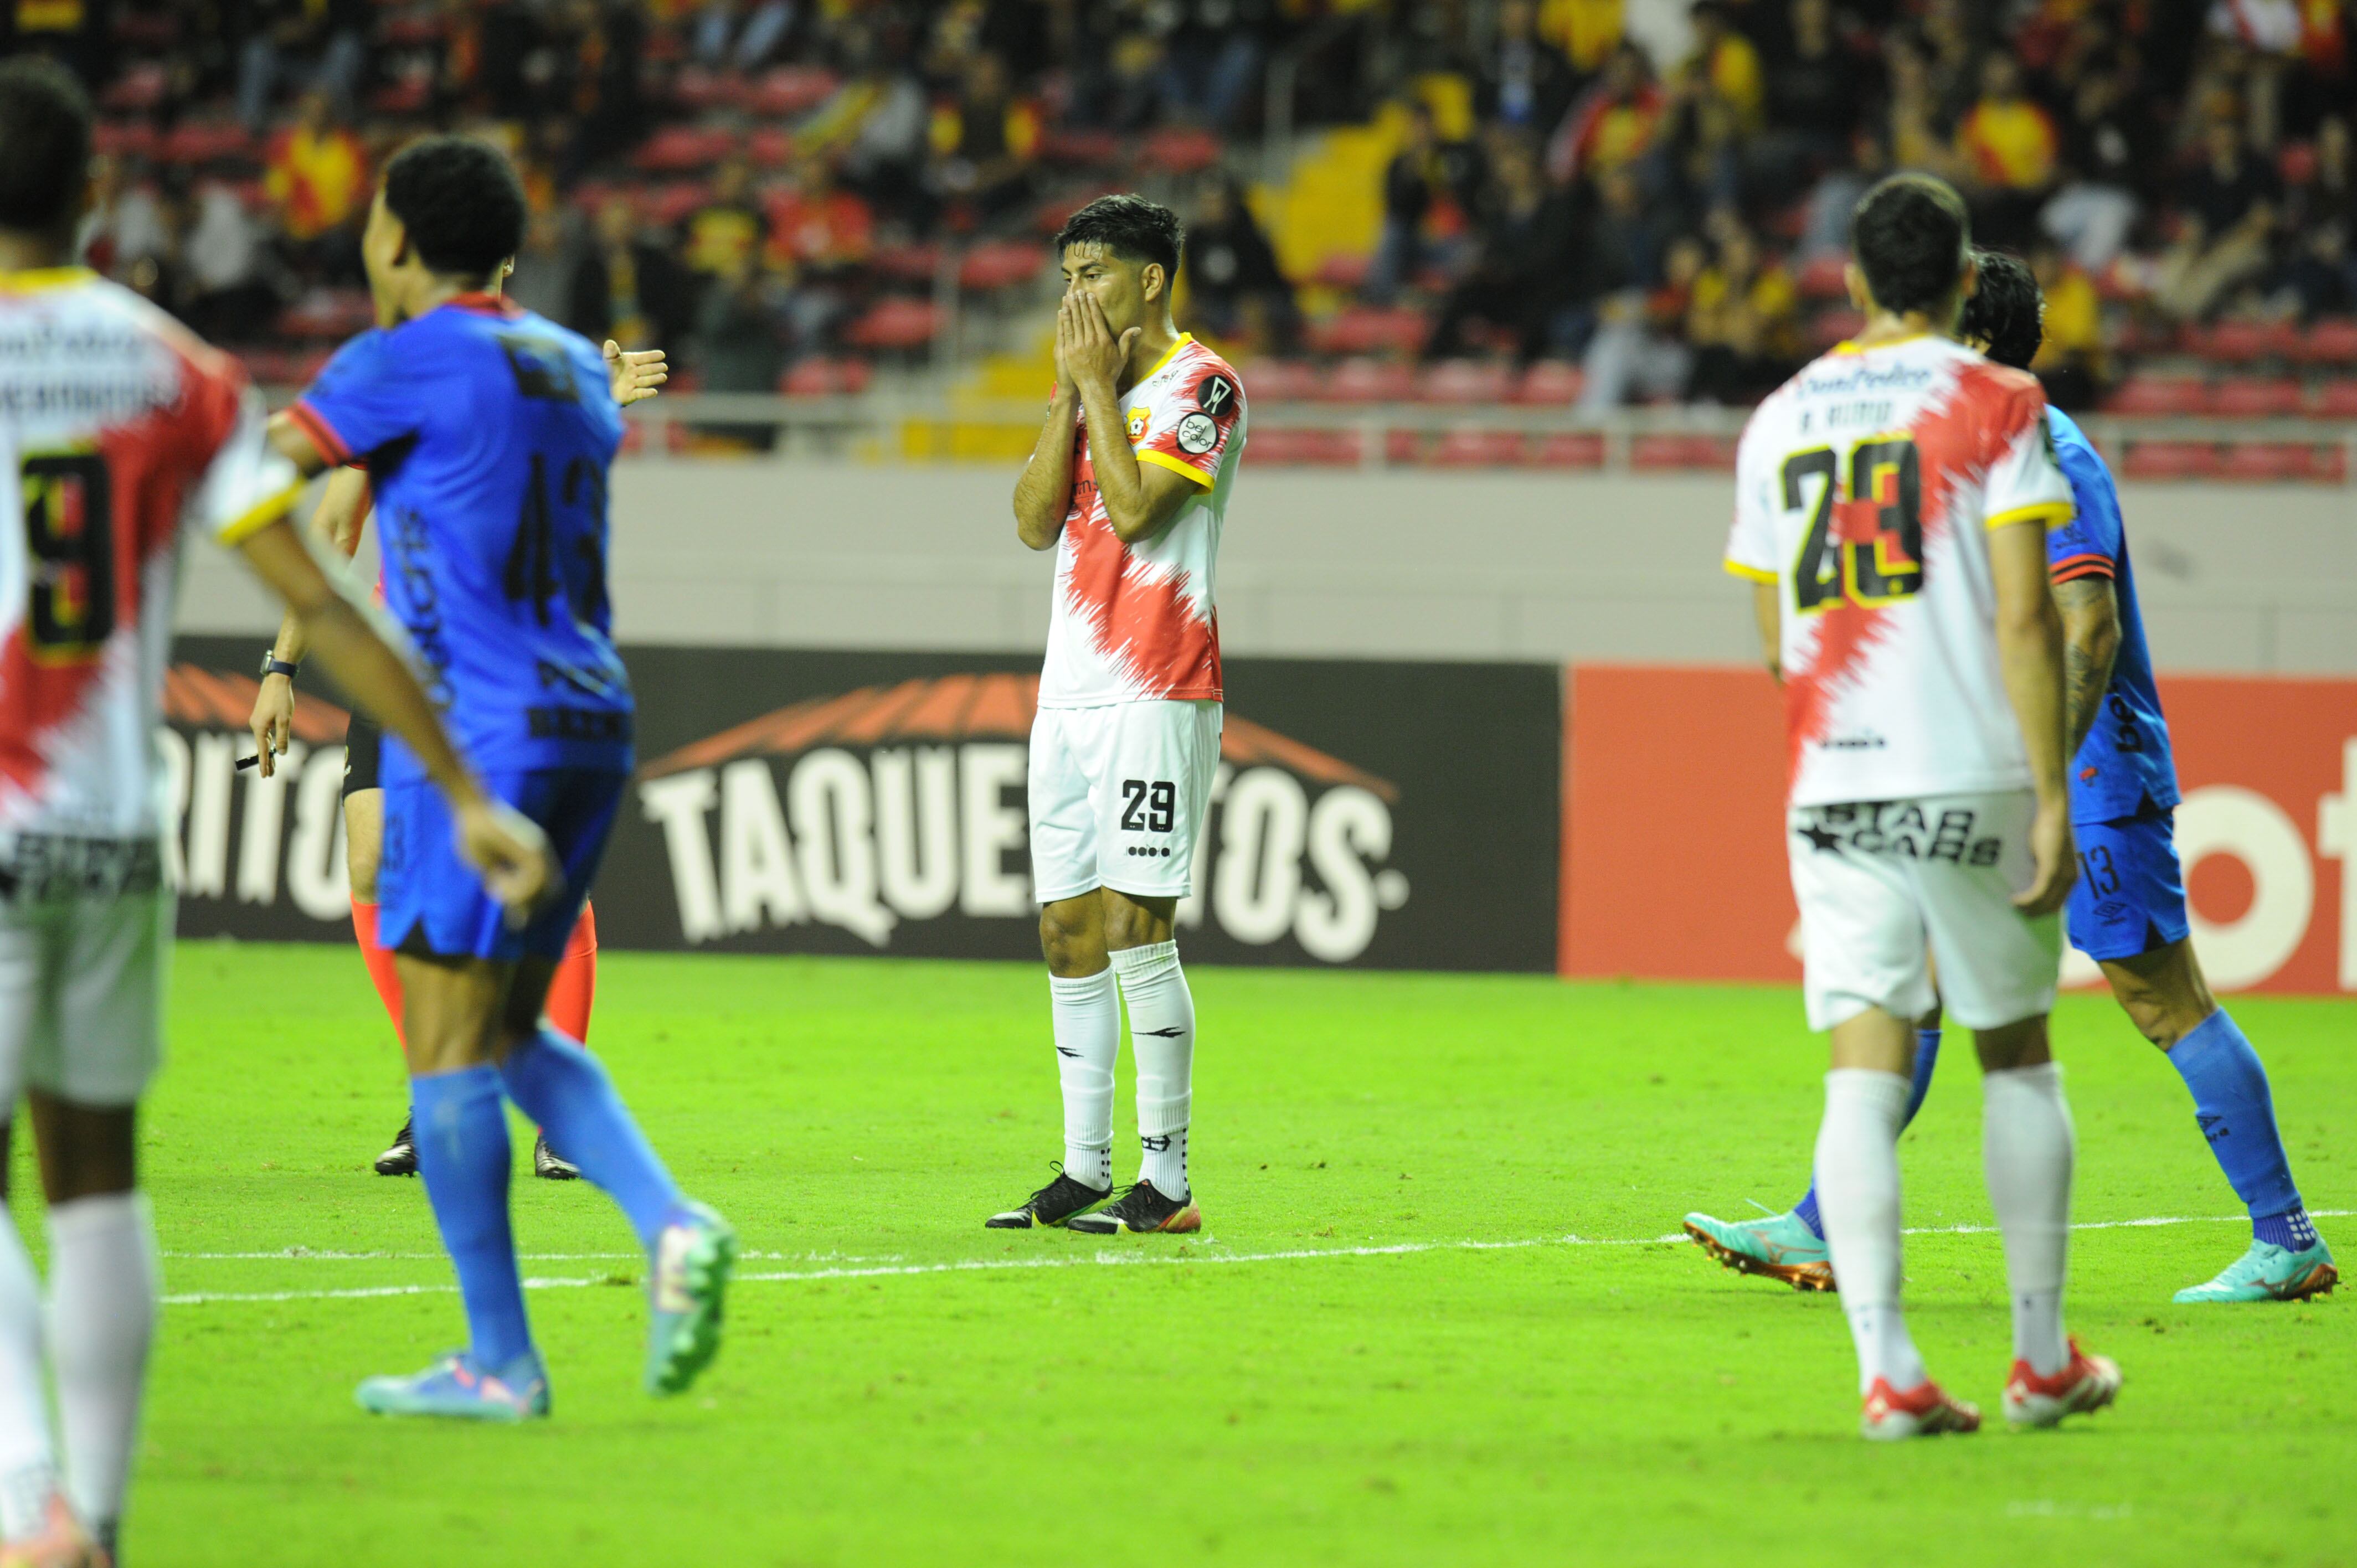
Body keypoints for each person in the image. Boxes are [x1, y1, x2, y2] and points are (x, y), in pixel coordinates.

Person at [0, 60, 551, 1561]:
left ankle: (20, 1491)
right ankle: (92, 1518)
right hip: (115, 832)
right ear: (96, 198)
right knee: (96, 1174)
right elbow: (321, 592)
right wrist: (452, 781)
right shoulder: (177, 373)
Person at [1686, 250, 2337, 1308]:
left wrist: (2046, 783)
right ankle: (1817, 1225)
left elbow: (2090, 625)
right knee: (1922, 983)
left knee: (2163, 1000)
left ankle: (2288, 1239)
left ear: (1975, 341)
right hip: (2010, 772)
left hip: (2085, 771)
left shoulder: (2045, 447)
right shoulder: (1978, 451)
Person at [265, 134, 734, 1421]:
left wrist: (304, 624)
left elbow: (264, 484)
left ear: (398, 240)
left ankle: (501, 1359)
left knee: (444, 1040)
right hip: (590, 714)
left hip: (467, 722)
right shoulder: (574, 366)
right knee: (506, 1028)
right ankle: (666, 1222)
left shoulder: (396, 359)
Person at [1716, 174, 2118, 1440]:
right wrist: (2051, 790)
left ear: (1848, 279)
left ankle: (1887, 1374)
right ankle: (2038, 1358)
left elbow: (1774, 633)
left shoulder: (1781, 414)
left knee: (1861, 1065)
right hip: (1965, 767)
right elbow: (2019, 611)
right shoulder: (1998, 399)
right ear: (1958, 285)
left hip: (1832, 774)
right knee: (2015, 1052)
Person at [246, 252, 668, 1180]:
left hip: (513, 656)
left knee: (536, 865)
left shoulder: (538, 361)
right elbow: (333, 528)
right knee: (370, 857)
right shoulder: (384, 373)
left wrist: (591, 405)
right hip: (402, 662)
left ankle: (560, 1113)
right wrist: (281, 663)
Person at [993, 195, 1246, 1237]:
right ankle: (1084, 1165)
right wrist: (1069, 397)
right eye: (1065, 278)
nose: (1074, 296)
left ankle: (1168, 1182)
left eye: (1092, 273)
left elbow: (1140, 514)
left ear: (1150, 279)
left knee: (1138, 929)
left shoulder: (1206, 384)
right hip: (1069, 693)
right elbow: (1031, 522)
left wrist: (1095, 386)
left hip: (1159, 684)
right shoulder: (1086, 387)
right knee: (1065, 930)